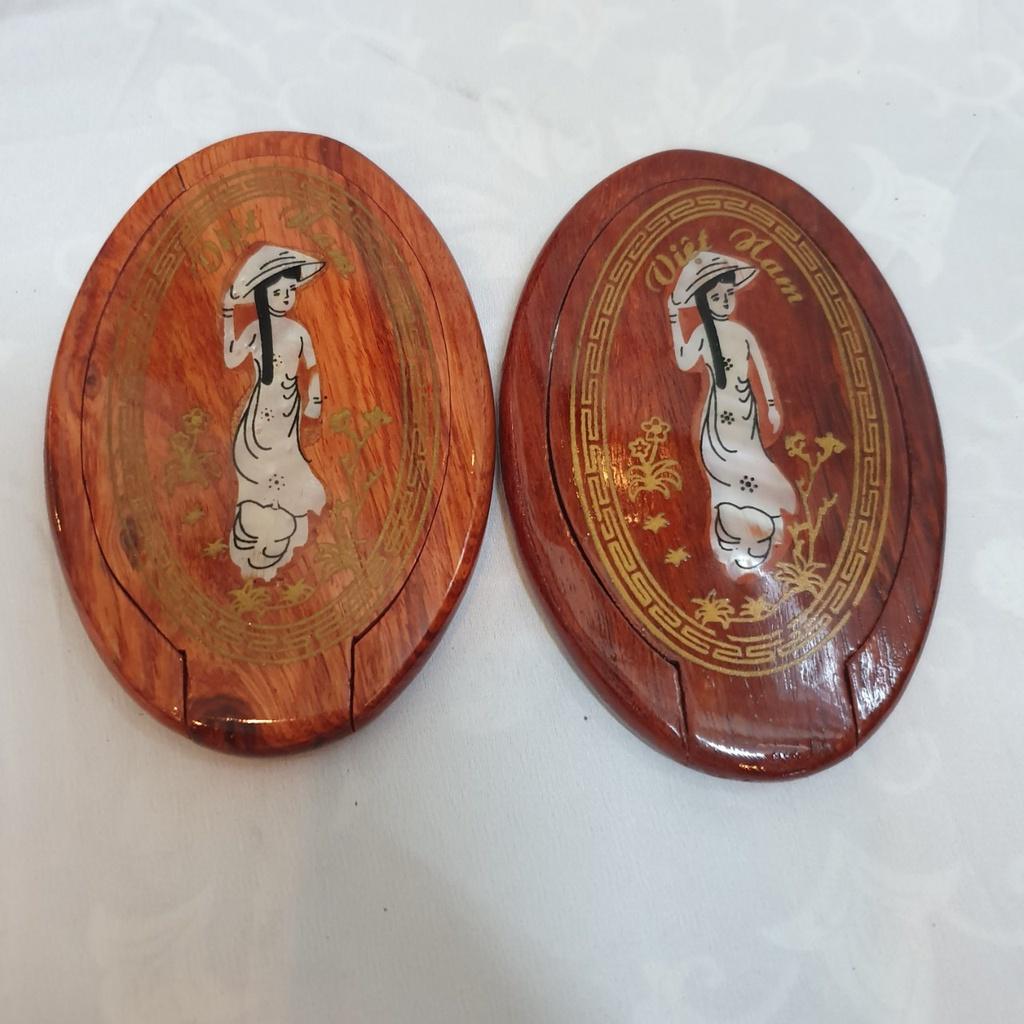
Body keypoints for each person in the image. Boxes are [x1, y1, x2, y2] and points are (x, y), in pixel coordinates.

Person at [667, 251, 796, 576]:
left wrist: (770, 406)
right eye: (716, 297)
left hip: (744, 410)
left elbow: (761, 371)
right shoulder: (702, 334)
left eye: (728, 294)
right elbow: (683, 360)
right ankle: (730, 530)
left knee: (751, 458)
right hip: (718, 411)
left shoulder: (743, 334)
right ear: (703, 302)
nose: (724, 301)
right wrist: (673, 319)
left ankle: (758, 525)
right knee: (722, 465)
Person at [222, 245, 327, 580]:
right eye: (277, 292)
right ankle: (253, 529)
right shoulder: (256, 330)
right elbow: (230, 358)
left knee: (285, 462)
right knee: (254, 462)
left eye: (290, 290)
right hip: (261, 411)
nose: (285, 298)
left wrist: (315, 399)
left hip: (288, 411)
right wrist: (227, 315)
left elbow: (313, 368)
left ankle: (278, 529)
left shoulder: (298, 332)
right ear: (262, 294)